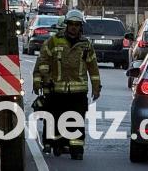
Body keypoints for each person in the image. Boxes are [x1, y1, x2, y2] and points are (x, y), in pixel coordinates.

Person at [32, 9, 101, 160]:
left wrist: (96, 88)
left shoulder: (86, 44)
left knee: (77, 120)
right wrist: (44, 80)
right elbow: (43, 61)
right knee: (56, 119)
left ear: (80, 26)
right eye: (71, 24)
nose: (74, 27)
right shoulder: (54, 41)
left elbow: (93, 68)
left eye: (77, 24)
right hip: (57, 89)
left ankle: (76, 149)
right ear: (67, 25)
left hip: (78, 91)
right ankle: (57, 144)